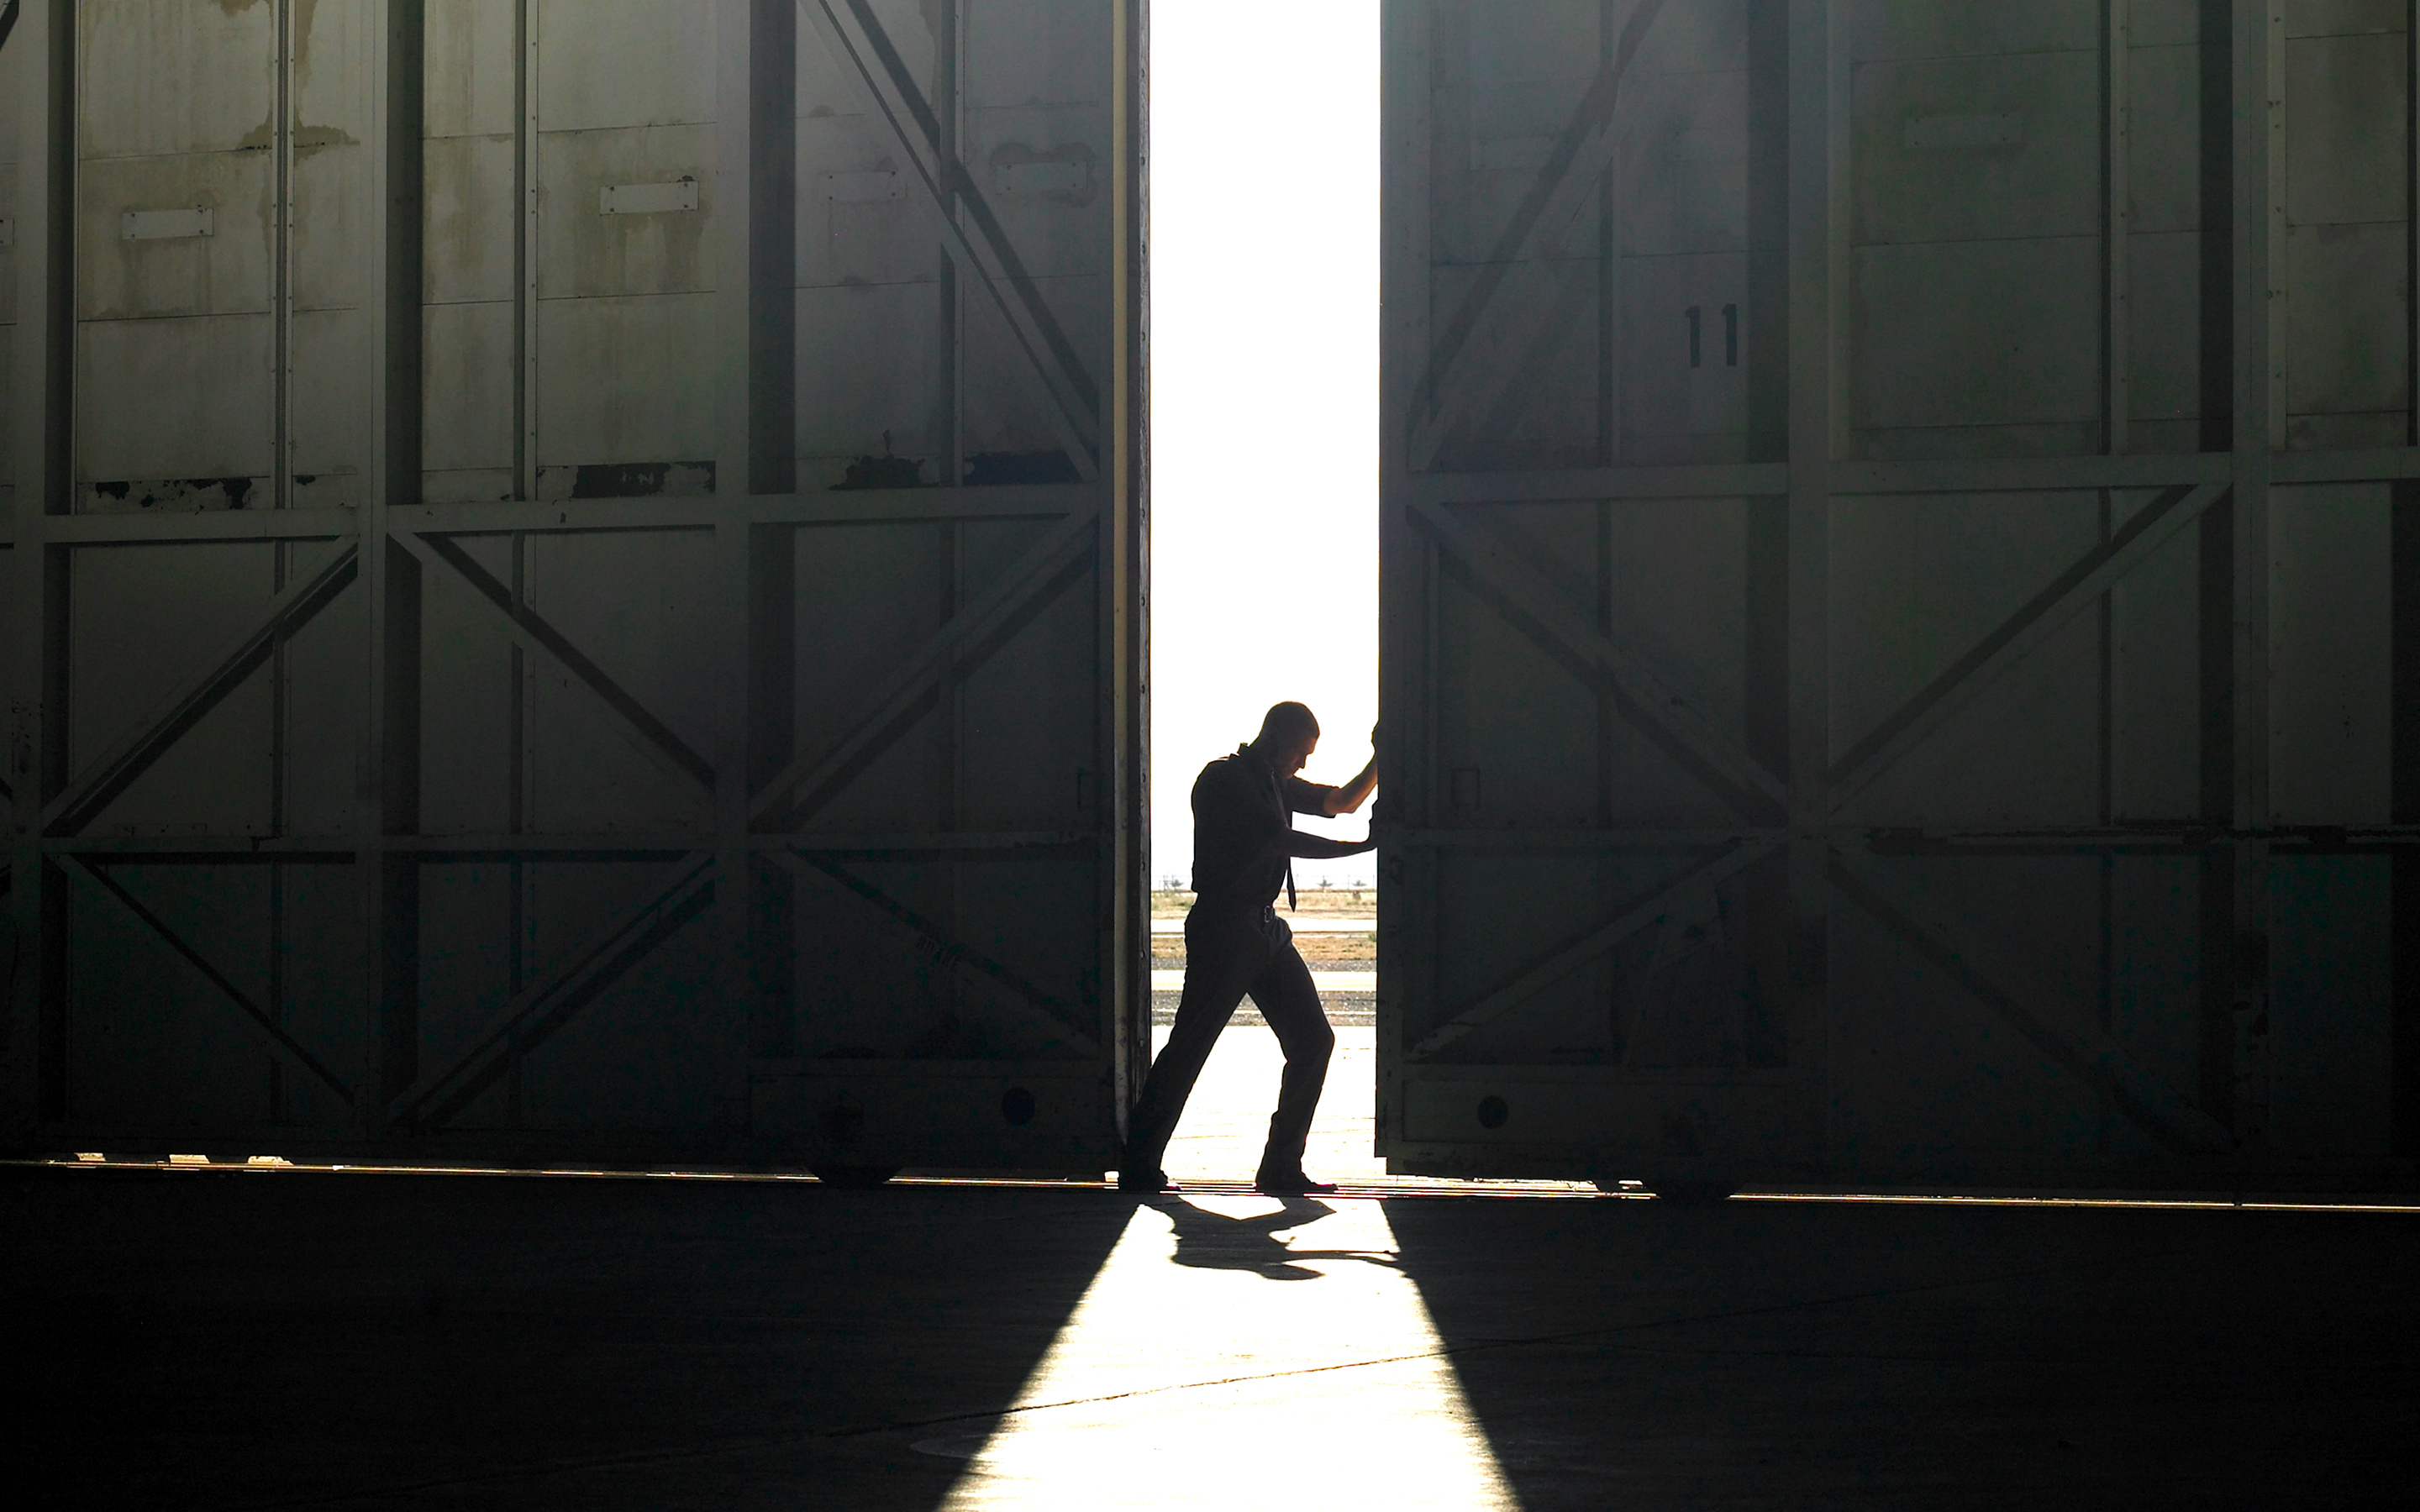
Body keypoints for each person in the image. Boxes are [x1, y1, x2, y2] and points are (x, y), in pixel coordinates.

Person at [1120, 701, 1377, 1197]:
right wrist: (1360, 848)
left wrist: (1380, 759)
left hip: (1264, 927)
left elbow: (1341, 802)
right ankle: (1139, 1164)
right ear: (1275, 736)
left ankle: (1280, 1167)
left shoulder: (1276, 781)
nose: (1304, 763)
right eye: (1301, 752)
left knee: (1313, 1040)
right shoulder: (1225, 780)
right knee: (1190, 1046)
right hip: (1225, 926)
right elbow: (1280, 839)